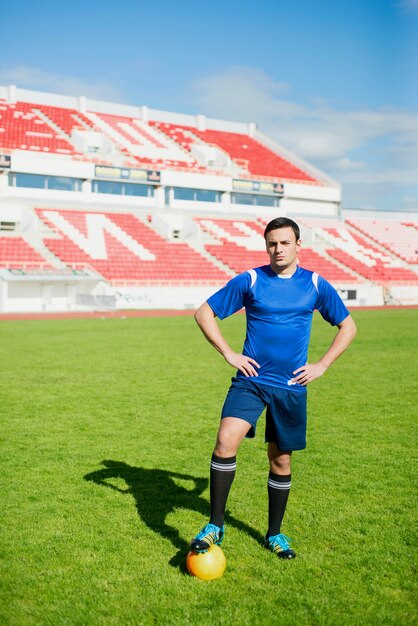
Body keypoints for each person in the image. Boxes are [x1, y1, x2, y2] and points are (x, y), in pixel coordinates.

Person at [189, 216, 357, 559]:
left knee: (280, 461)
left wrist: (322, 365)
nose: (277, 249)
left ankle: (274, 534)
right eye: (271, 243)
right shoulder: (251, 279)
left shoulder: (314, 284)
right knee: (224, 441)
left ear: (298, 245)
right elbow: (204, 313)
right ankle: (215, 525)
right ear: (266, 246)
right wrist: (229, 353)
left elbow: (348, 326)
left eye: (284, 242)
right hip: (251, 381)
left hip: (290, 387)